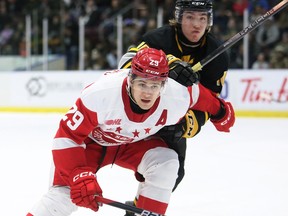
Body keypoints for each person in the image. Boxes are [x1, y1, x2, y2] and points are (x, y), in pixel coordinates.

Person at [26, 47, 235, 216]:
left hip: (132, 144)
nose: (147, 92)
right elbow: (66, 136)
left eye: (155, 86)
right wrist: (78, 174)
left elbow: (200, 97)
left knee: (167, 162)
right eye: (142, 83)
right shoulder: (101, 94)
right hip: (91, 145)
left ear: (164, 84)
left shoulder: (176, 95)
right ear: (130, 79)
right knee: (63, 196)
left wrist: (220, 111)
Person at [118, 0, 230, 205]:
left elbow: (209, 104)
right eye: (190, 17)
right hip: (137, 111)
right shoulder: (158, 39)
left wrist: (185, 125)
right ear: (178, 18)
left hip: (173, 117)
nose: (197, 24)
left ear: (209, 21)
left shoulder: (217, 54)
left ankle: (139, 207)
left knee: (173, 174)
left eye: (202, 18)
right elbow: (125, 64)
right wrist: (169, 64)